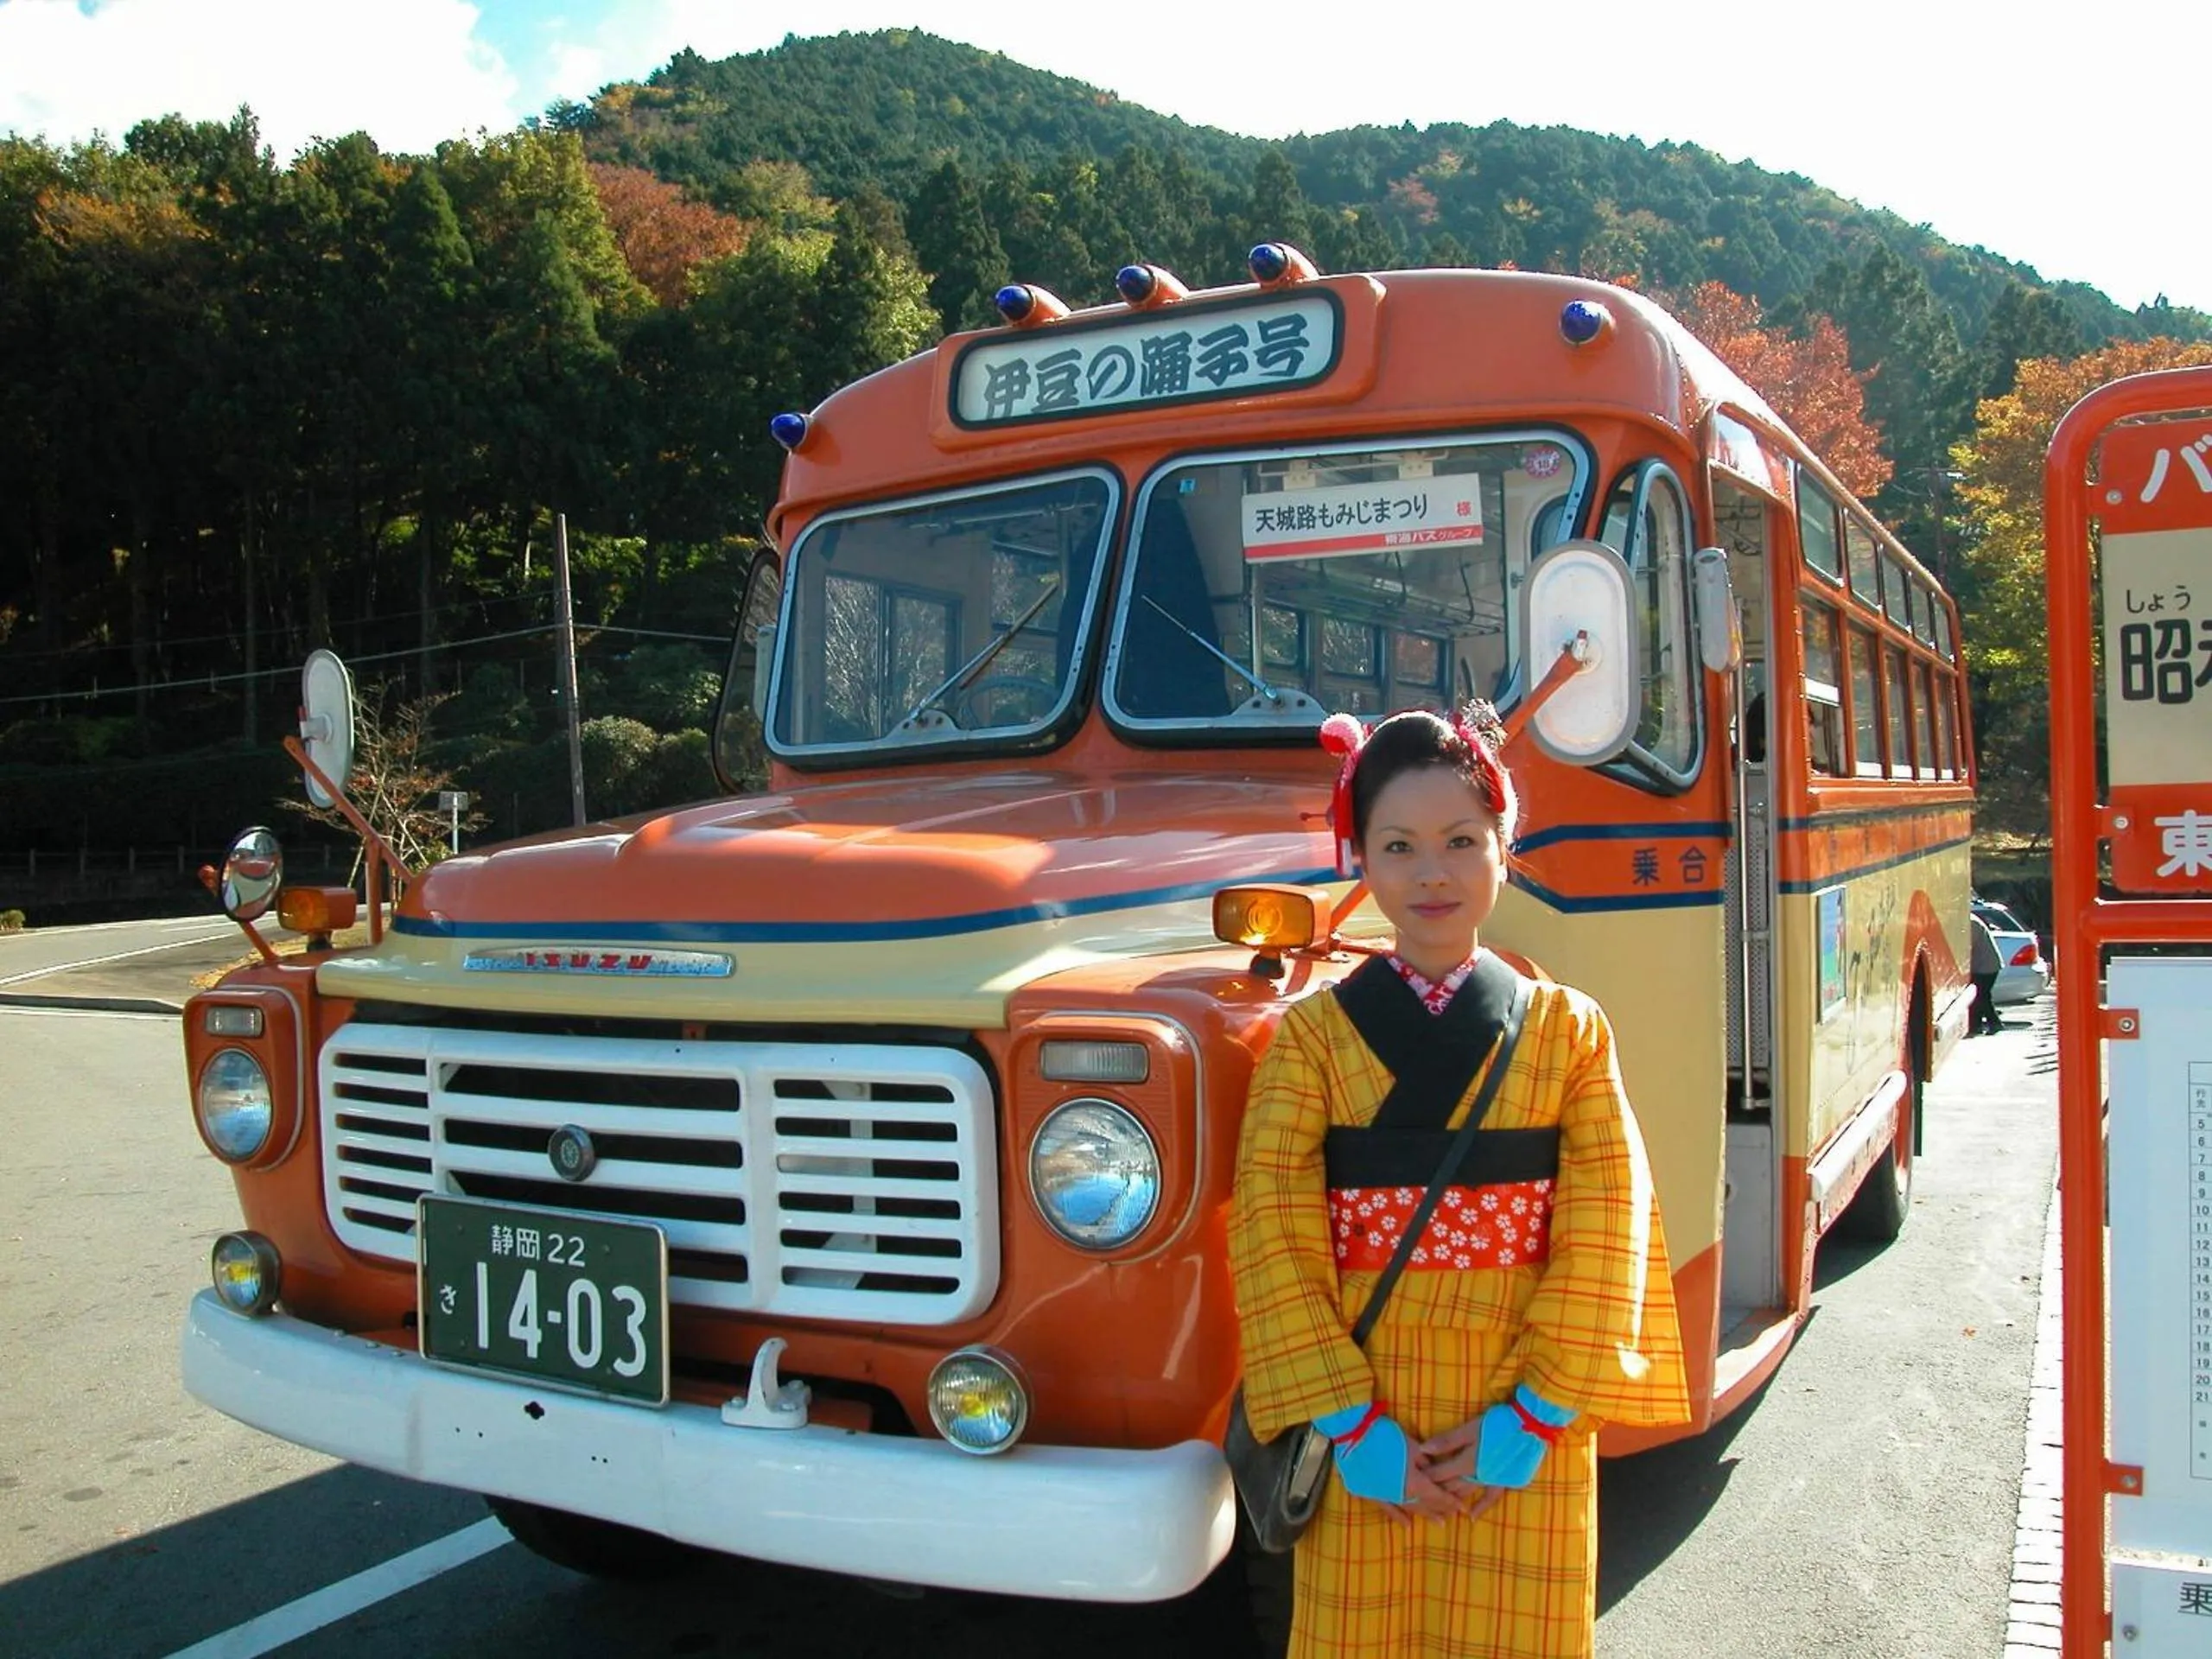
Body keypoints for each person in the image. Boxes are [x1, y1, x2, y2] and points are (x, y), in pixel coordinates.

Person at [1228, 704, 1691, 1659]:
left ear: (1504, 848)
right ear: (1359, 858)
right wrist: (1353, 1427)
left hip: (1520, 1401)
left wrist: (1538, 1410)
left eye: (1460, 840)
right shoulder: (1310, 1040)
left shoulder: (1568, 1030)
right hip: (1368, 1403)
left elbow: (1608, 1226)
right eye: (1396, 844)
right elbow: (1272, 1239)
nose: (1430, 871)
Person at [1968, 911, 2004, 1035]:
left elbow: (1968, 946)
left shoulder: (1970, 922)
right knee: (1980, 996)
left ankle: (1994, 1023)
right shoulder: (1971, 920)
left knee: (1982, 996)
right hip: (1985, 965)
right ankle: (1976, 1025)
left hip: (1986, 966)